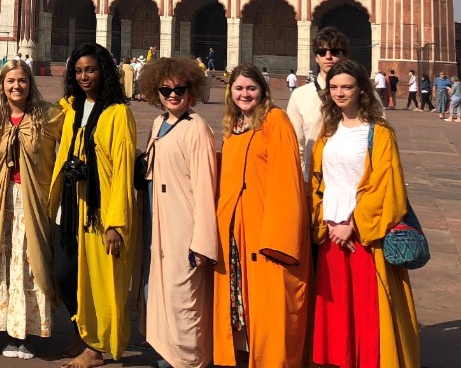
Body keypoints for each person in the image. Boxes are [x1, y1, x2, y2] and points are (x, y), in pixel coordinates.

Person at [309, 60, 419, 367]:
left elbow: (387, 187)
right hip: (330, 233)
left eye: (346, 87)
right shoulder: (328, 132)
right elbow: (318, 181)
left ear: (361, 90)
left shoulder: (378, 133)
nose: (340, 93)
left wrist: (352, 224)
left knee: (369, 307)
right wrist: (324, 220)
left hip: (365, 236)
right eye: (334, 87)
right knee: (338, 309)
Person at [213, 64, 309, 367]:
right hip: (233, 228)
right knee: (238, 298)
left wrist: (280, 237)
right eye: (239, 88)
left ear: (263, 91)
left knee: (271, 305)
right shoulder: (234, 125)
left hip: (267, 231)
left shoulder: (275, 121)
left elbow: (288, 179)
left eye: (251, 88)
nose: (244, 94)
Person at [49, 43, 138, 368]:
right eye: (79, 71)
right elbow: (43, 123)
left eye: (91, 70)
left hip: (99, 212)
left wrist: (116, 222)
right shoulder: (72, 108)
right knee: (64, 274)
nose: (84, 76)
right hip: (70, 207)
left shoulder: (118, 113)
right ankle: (81, 330)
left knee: (98, 281)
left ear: (104, 71)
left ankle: (95, 348)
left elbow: (124, 170)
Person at [138, 57, 219, 368]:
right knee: (162, 293)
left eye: (179, 89)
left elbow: (204, 188)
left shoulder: (197, 129)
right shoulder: (159, 124)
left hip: (185, 227)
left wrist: (202, 243)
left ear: (192, 92)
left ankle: (190, 360)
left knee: (185, 298)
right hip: (160, 221)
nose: (172, 95)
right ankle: (170, 355)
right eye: (165, 89)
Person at [0, 60, 62, 360]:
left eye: (22, 81)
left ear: (31, 83)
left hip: (34, 200)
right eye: (10, 81)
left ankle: (26, 333)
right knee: (3, 262)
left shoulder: (50, 116)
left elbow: (75, 144)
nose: (17, 86)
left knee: (31, 263)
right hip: (1, 200)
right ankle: (6, 327)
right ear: (1, 84)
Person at [287, 27, 350, 178]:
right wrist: (303, 179)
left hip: (352, 178)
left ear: (344, 55)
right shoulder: (301, 95)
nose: (328, 56)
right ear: (316, 57)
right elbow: (296, 143)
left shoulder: (364, 94)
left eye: (334, 51)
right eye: (322, 52)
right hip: (314, 176)